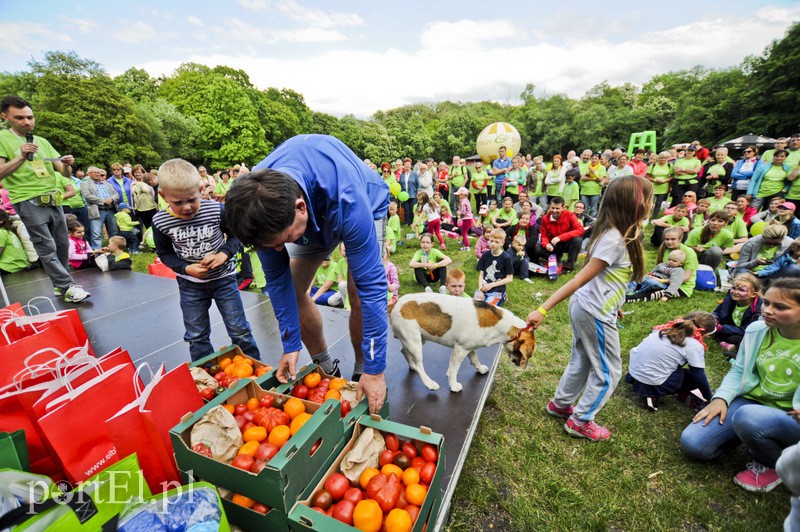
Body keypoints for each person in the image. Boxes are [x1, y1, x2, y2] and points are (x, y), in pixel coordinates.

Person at [223, 135, 389, 413]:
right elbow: (279, 283)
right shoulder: (258, 207)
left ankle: (363, 370)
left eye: (283, 241)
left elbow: (373, 289)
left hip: (364, 204)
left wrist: (376, 369)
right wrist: (290, 345)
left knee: (358, 292)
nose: (279, 250)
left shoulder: (347, 198)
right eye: (272, 245)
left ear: (300, 208)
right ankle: (324, 364)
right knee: (295, 288)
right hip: (307, 215)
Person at [528, 175, 653, 441]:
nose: (651, 204)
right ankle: (581, 421)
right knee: (609, 371)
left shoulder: (616, 233)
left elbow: (607, 278)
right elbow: (579, 279)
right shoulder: (614, 240)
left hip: (588, 305)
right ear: (633, 204)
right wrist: (543, 309)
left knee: (583, 358)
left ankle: (561, 404)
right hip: (594, 312)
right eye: (648, 199)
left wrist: (617, 304)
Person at [680, 277, 800, 493]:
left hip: (791, 415)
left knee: (748, 417)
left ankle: (775, 465)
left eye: (780, 307)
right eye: (766, 302)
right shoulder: (756, 329)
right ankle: (752, 434)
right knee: (694, 444)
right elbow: (739, 370)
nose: (767, 311)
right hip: (752, 402)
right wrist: (721, 398)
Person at [152, 158, 260, 363]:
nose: (186, 207)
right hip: (190, 285)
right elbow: (165, 254)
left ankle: (254, 368)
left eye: (192, 199)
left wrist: (223, 254)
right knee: (196, 335)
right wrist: (186, 268)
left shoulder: (217, 210)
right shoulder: (160, 221)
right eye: (178, 202)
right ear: (164, 196)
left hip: (224, 280)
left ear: (201, 189)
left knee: (239, 329)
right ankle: (206, 372)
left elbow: (237, 236)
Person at [0, 95, 90, 302]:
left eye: (30, 117)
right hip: (27, 199)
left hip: (53, 198)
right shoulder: (2, 138)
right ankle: (67, 286)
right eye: (20, 117)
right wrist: (21, 156)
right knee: (45, 245)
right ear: (5, 117)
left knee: (62, 244)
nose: (27, 122)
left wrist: (67, 164)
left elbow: (64, 173)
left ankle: (60, 285)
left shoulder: (42, 141)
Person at [625, 311, 716, 411]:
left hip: (634, 374)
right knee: (692, 379)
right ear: (705, 333)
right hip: (653, 382)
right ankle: (653, 393)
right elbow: (699, 376)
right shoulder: (694, 345)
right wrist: (709, 397)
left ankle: (649, 390)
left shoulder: (664, 329)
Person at [712, 273, 762, 359]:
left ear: (753, 294)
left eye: (741, 290)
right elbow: (717, 312)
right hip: (730, 327)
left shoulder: (757, 310)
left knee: (737, 339)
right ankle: (723, 342)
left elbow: (746, 330)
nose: (735, 292)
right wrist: (714, 319)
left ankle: (736, 351)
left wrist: (722, 328)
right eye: (734, 288)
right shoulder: (730, 298)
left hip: (746, 334)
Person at [533, 196, 584, 272]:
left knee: (578, 240)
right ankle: (555, 259)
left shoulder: (570, 215)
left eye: (557, 208)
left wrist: (560, 237)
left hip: (567, 243)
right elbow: (544, 235)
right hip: (553, 245)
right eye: (552, 208)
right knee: (537, 247)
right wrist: (546, 244)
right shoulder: (545, 218)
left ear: (563, 208)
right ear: (550, 207)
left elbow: (580, 229)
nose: (554, 211)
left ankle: (569, 265)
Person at [81, 166, 120, 250]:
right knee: (96, 233)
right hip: (97, 210)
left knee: (114, 231)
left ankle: (115, 249)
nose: (98, 174)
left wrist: (111, 199)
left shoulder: (107, 184)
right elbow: (87, 196)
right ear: (89, 174)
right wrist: (103, 201)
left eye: (99, 172)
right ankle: (97, 251)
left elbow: (116, 194)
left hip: (111, 210)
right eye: (95, 172)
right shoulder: (85, 184)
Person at [475, 228, 514, 306]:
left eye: (497, 242)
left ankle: (502, 296)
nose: (493, 244)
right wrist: (480, 290)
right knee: (476, 306)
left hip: (497, 290)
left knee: (487, 308)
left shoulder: (506, 258)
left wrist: (491, 285)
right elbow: (481, 275)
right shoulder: (485, 255)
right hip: (484, 288)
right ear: (488, 240)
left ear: (502, 243)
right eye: (491, 241)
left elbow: (509, 278)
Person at [0, 209, 32, 274]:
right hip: (20, 264)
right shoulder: (7, 231)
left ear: (1, 221)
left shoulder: (1, 232)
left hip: (8, 266)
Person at [646, 151, 674, 220]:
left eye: (665, 158)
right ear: (658, 158)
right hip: (653, 187)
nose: (663, 159)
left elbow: (672, 175)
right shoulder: (653, 165)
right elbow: (647, 176)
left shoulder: (669, 165)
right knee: (650, 203)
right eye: (661, 158)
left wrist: (666, 180)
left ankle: (654, 218)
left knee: (658, 203)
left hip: (663, 187)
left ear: (667, 158)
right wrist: (655, 180)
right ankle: (646, 217)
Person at [579, 152, 605, 217]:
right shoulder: (587, 166)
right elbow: (583, 178)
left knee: (594, 209)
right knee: (584, 209)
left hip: (595, 191)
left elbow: (600, 179)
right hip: (585, 191)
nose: (594, 160)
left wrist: (594, 172)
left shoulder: (602, 167)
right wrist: (594, 179)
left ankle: (592, 222)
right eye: (592, 158)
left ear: (599, 159)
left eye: (596, 159)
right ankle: (584, 221)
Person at [398, 158, 419, 226]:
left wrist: (418, 192)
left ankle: (413, 222)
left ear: (410, 165)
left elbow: (418, 184)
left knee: (413, 209)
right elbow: (400, 184)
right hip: (404, 195)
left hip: (413, 194)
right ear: (404, 165)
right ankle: (407, 222)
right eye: (406, 164)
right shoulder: (402, 175)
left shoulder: (414, 174)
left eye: (408, 164)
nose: (407, 166)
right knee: (407, 209)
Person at [453, 187, 473, 251]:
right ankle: (463, 241)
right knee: (464, 231)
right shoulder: (466, 200)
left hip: (466, 219)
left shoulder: (463, 202)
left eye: (459, 195)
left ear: (463, 195)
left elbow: (463, 212)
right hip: (468, 219)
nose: (458, 196)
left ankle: (467, 246)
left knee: (464, 233)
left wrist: (459, 213)